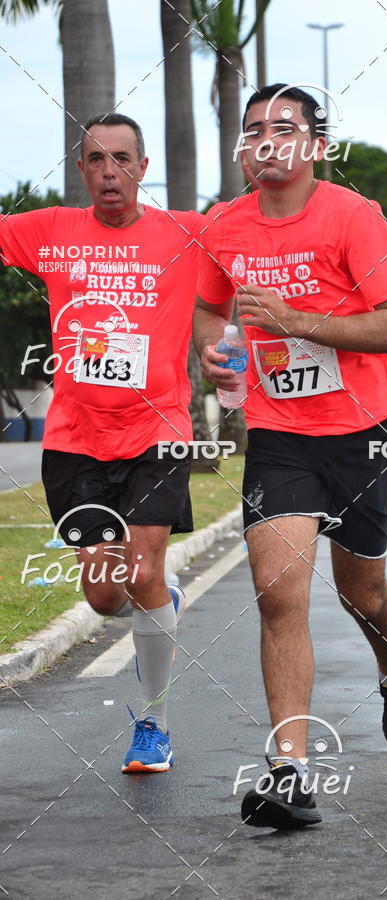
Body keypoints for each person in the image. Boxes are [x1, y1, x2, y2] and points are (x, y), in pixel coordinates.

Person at [195, 84, 387, 830]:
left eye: (285, 128)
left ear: (317, 146)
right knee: (277, 589)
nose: (267, 140)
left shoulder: (354, 217)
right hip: (280, 433)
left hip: (363, 429)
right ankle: (290, 772)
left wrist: (295, 319)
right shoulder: (222, 225)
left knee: (361, 595)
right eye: (253, 128)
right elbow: (209, 307)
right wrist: (217, 355)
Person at [0, 113, 205, 774]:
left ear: (143, 168)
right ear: (82, 169)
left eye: (122, 158)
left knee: (142, 569)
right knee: (104, 594)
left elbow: (263, 235)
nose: (109, 171)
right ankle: (157, 595)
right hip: (79, 435)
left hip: (158, 429)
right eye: (96, 159)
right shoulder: (51, 230)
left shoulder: (184, 234)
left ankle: (155, 725)